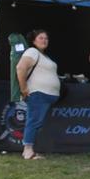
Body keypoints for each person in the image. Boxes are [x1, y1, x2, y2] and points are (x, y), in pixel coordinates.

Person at [15, 29, 59, 160]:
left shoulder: (44, 56)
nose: (44, 40)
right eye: (41, 38)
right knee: (33, 121)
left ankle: (30, 149)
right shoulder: (32, 52)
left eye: (46, 38)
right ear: (34, 41)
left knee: (36, 122)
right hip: (37, 94)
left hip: (46, 95)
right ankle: (27, 150)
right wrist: (23, 88)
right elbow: (20, 68)